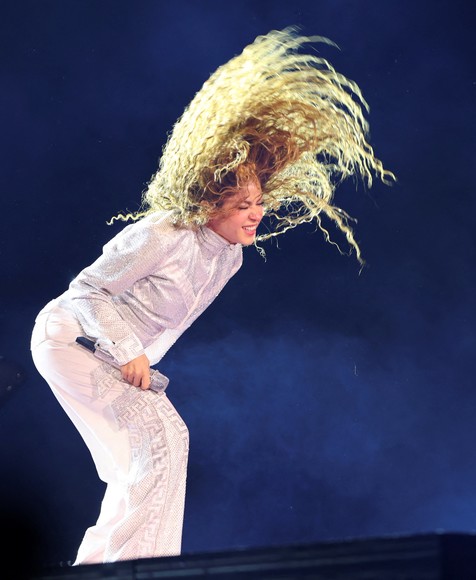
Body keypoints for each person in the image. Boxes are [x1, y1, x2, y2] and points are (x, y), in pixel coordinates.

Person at [30, 28, 393, 565]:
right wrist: (129, 348)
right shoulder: (165, 232)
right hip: (72, 339)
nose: (257, 212)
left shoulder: (230, 256)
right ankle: (139, 570)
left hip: (112, 354)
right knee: (165, 440)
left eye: (260, 201)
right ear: (210, 201)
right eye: (243, 202)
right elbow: (86, 288)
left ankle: (98, 566)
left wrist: (139, 356)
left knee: (139, 459)